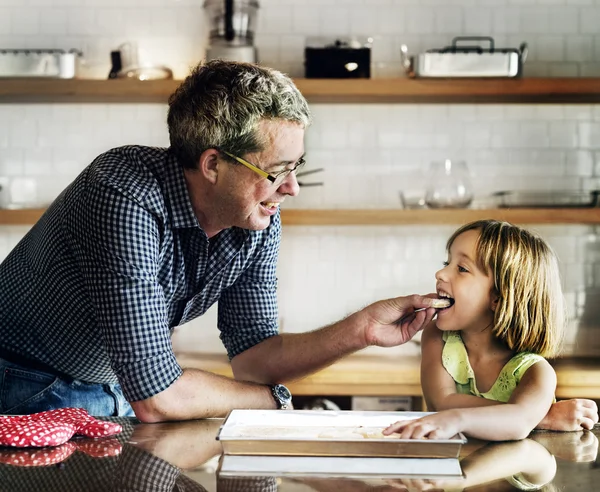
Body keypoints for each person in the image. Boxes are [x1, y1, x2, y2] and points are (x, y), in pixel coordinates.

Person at [0, 59, 442, 421]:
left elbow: (254, 360)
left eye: (296, 166)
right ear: (213, 165)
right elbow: (159, 398)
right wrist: (277, 401)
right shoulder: (123, 194)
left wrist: (362, 328)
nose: (292, 188)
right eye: (277, 170)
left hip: (109, 389)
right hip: (20, 385)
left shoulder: (253, 215)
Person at [384, 220, 599, 441]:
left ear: (498, 298)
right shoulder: (437, 338)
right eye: (447, 262)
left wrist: (523, 417)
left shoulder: (536, 372)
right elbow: (442, 403)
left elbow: (518, 423)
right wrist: (541, 417)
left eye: (462, 269)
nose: (440, 273)